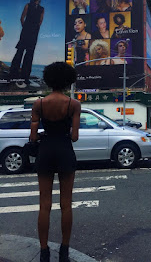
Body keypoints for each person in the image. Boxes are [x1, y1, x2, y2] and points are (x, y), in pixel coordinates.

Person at [30, 62, 81, 262]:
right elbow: (74, 137)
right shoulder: (73, 104)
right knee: (66, 205)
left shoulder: (39, 104)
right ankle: (64, 251)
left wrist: (44, 134)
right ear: (68, 81)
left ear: (49, 80)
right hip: (65, 151)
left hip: (46, 151)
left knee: (44, 205)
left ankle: (44, 251)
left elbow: (33, 137)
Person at [9, 0, 44, 89]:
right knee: (19, 52)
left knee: (29, 54)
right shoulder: (27, 6)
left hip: (34, 34)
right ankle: (13, 74)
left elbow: (40, 21)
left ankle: (25, 77)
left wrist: (35, 29)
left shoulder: (41, 9)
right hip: (25, 32)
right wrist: (25, 28)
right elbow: (22, 18)